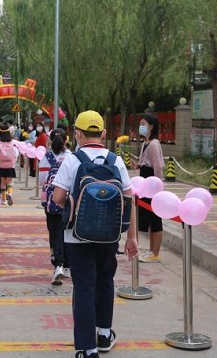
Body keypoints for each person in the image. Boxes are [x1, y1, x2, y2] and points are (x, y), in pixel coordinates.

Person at [52, 110, 138, 358]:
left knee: (84, 288)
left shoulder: (72, 160)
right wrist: (131, 238)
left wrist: (74, 207)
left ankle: (87, 348)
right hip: (110, 236)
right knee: (105, 282)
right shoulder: (115, 160)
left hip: (76, 237)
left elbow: (57, 198)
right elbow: (130, 199)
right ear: (102, 133)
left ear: (77, 133)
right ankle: (104, 334)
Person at [38, 128, 71, 285]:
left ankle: (57, 265)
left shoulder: (46, 158)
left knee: (54, 231)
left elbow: (42, 180)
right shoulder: (71, 157)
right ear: (66, 140)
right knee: (66, 230)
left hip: (50, 202)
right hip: (66, 200)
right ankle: (67, 264)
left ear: (50, 140)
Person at [132, 114, 165, 263]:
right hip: (146, 184)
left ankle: (155, 252)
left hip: (152, 185)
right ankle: (151, 250)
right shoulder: (146, 143)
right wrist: (138, 165)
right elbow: (146, 162)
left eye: (144, 123)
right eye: (140, 124)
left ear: (151, 126)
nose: (141, 126)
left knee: (155, 218)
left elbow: (157, 166)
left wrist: (158, 188)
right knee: (150, 219)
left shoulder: (154, 144)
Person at [0, 123, 18, 206]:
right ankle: (10, 194)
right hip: (11, 165)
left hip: (1, 165)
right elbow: (16, 153)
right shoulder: (13, 142)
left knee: (2, 182)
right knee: (10, 182)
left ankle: (3, 199)